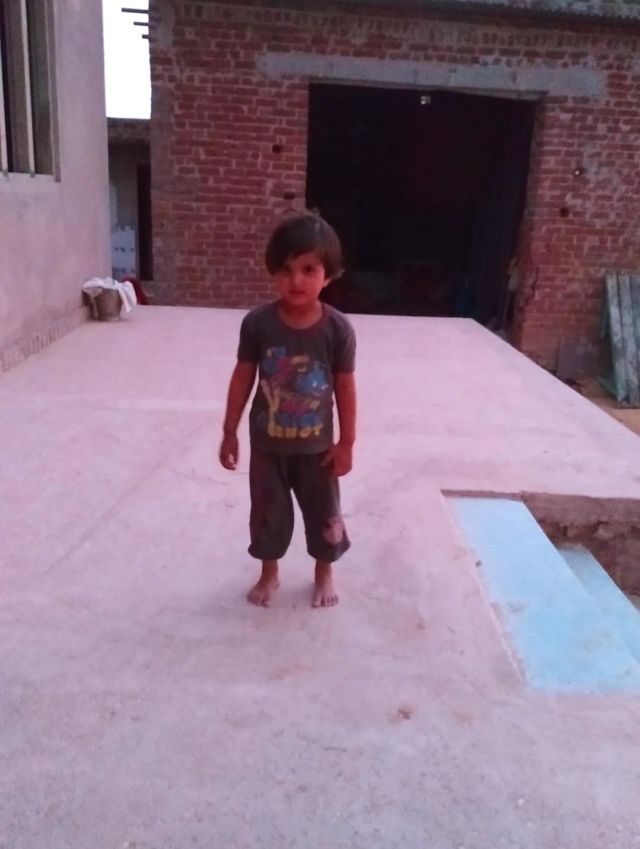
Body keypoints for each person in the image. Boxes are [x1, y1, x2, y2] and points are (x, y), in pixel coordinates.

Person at [219, 212, 356, 609]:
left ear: (327, 275)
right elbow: (242, 377)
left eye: (308, 270)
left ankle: (324, 573)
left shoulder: (337, 330)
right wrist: (229, 430)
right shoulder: (257, 324)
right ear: (272, 273)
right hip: (268, 446)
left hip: (318, 449)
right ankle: (269, 573)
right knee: (268, 514)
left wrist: (347, 442)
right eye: (285, 270)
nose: (296, 280)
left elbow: (346, 388)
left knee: (324, 513)